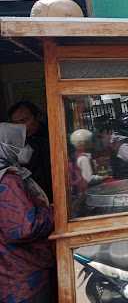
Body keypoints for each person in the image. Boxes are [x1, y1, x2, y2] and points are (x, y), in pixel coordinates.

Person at [0, 123, 55, 303]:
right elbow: (24, 227)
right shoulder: (7, 181)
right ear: (6, 147)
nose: (27, 148)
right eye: (22, 143)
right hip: (23, 276)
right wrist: (54, 213)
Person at [8, 101, 53, 202]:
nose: (20, 127)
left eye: (24, 120)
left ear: (37, 117)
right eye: (15, 123)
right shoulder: (11, 145)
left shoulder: (52, 134)